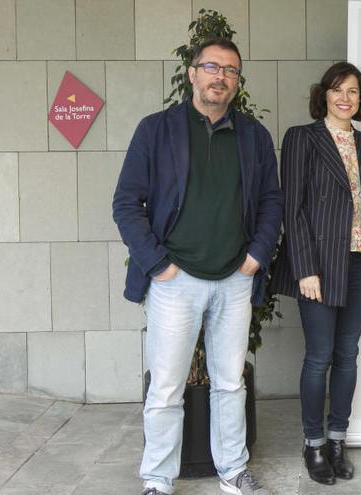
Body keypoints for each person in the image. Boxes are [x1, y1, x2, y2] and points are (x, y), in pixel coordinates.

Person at [112, 38, 283, 495]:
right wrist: (158, 265)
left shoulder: (254, 136)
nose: (220, 76)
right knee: (166, 388)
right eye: (212, 66)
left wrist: (255, 258)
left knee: (230, 384)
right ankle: (158, 479)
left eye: (230, 70)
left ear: (237, 82)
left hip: (234, 279)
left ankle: (232, 470)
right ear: (192, 73)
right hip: (175, 282)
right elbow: (127, 203)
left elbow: (272, 203)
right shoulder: (157, 130)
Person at [271, 62, 361, 486]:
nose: (346, 98)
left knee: (347, 354)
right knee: (319, 356)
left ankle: (337, 438)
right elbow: (294, 209)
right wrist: (304, 268)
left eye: (354, 92)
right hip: (319, 266)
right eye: (338, 90)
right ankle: (313, 443)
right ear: (324, 94)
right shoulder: (302, 139)